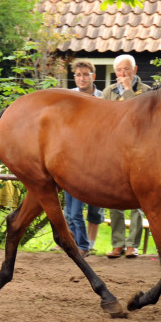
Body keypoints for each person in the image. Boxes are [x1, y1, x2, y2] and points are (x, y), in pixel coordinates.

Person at [102, 54, 151, 258]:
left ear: (135, 70)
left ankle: (133, 245)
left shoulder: (146, 91)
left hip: (139, 150)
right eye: (119, 70)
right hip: (115, 151)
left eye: (126, 70)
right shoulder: (108, 92)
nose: (123, 74)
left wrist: (129, 91)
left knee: (137, 200)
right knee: (115, 198)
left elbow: (140, 117)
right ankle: (117, 244)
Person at [63, 59, 105, 257]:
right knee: (70, 210)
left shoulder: (102, 97)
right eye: (78, 75)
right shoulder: (69, 96)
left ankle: (85, 245)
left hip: (95, 156)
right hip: (71, 156)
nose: (82, 78)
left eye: (85, 74)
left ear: (93, 76)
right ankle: (76, 243)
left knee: (89, 208)